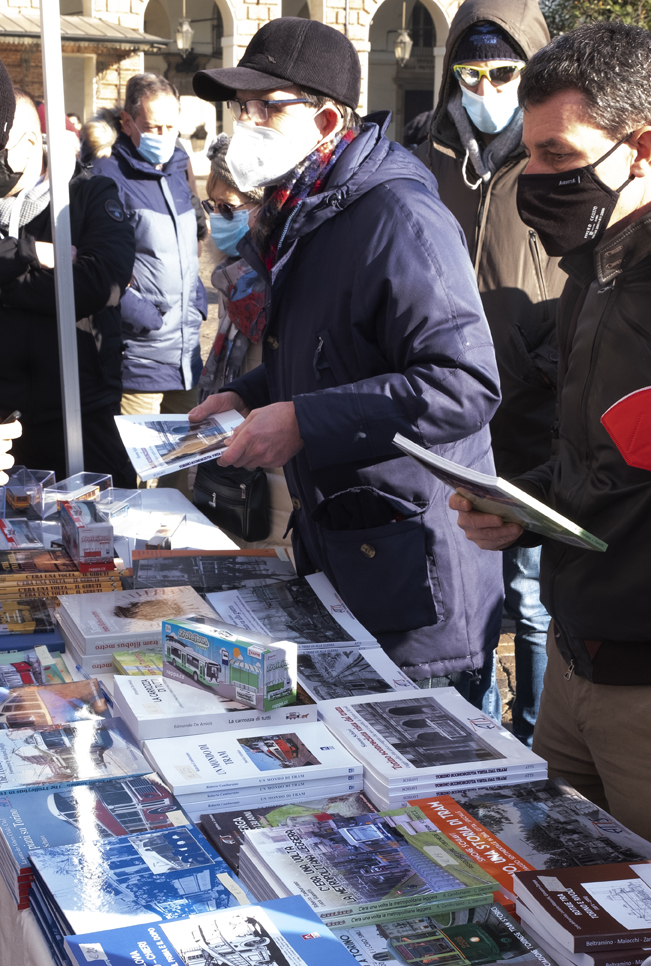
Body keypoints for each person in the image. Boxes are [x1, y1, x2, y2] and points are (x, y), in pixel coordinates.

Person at [450, 21, 651, 860]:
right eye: (528, 156)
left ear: (644, 148)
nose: (532, 179)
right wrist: (521, 506)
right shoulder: (596, 273)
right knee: (567, 914)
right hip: (578, 674)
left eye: (556, 156)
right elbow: (597, 462)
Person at [189, 16, 504, 691]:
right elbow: (336, 352)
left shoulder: (397, 216)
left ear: (329, 119)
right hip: (351, 554)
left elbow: (464, 383)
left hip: (416, 587)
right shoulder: (308, 210)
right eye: (244, 107)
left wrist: (304, 420)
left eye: (270, 106)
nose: (248, 122)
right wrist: (249, 393)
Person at [416, 0, 566, 741]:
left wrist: (544, 368)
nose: (485, 87)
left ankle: (537, 739)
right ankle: (474, 736)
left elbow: (585, 281)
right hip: (450, 417)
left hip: (535, 415)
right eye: (471, 72)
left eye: (503, 71)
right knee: (465, 590)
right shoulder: (424, 150)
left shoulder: (558, 155)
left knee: (531, 602)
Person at [0, 84, 136, 485]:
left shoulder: (89, 194)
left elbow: (98, 284)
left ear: (27, 144)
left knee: (101, 534)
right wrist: (30, 252)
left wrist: (5, 283)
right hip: (6, 420)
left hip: (79, 412)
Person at [91, 73, 207, 420]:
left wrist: (197, 298)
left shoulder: (177, 167)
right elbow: (94, 264)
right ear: (127, 122)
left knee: (183, 460)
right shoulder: (106, 174)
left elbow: (188, 244)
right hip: (140, 354)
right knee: (141, 470)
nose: (165, 136)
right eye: (155, 127)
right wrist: (142, 314)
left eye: (172, 127)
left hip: (186, 354)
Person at [200, 133, 291, 545]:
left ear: (262, 205)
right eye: (212, 206)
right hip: (238, 458)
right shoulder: (231, 275)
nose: (218, 217)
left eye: (229, 207)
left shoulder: (283, 272)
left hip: (277, 465)